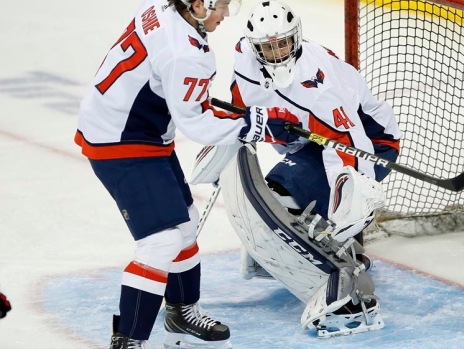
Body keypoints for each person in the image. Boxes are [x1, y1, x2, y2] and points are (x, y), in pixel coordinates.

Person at [74, 0, 302, 348]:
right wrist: (260, 126)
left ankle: (182, 312)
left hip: (135, 129)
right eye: (222, 6)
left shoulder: (162, 10)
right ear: (198, 4)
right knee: (161, 240)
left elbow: (174, 87)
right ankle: (128, 339)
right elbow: (195, 122)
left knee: (185, 224)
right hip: (122, 142)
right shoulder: (185, 54)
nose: (226, 14)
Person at [191, 0, 401, 338]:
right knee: (277, 193)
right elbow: (240, 109)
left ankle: (346, 261)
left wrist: (346, 212)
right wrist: (228, 144)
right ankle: (283, 255)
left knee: (310, 197)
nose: (276, 53)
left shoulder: (320, 89)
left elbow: (350, 153)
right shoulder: (246, 56)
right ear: (254, 46)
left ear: (296, 38)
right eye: (267, 47)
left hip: (369, 145)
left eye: (283, 43)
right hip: (310, 142)